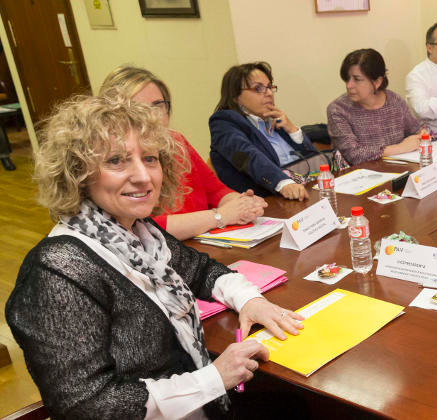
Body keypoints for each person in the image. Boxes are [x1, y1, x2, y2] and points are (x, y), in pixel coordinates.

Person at [6, 95, 306, 419]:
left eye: (149, 159)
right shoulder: (56, 274)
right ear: (77, 173)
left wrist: (250, 300)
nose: (143, 177)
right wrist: (213, 379)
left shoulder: (137, 231)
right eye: (117, 161)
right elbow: (89, 406)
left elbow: (201, 269)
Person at [99, 66, 267, 241]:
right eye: (137, 109)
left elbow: (217, 191)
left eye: (157, 106)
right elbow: (145, 226)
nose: (152, 117)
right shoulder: (110, 160)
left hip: (203, 246)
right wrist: (221, 216)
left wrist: (244, 204)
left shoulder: (176, 141)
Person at [210, 62, 319, 200]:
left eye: (269, 87)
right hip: (270, 200)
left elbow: (315, 161)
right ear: (236, 96)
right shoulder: (224, 122)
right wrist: (283, 183)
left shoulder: (274, 118)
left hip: (307, 191)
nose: (268, 93)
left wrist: (292, 129)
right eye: (258, 89)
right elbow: (247, 155)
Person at [328, 48, 425, 165]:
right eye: (347, 79)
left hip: (400, 171)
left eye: (357, 79)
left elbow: (417, 130)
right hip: (361, 177)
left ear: (377, 82)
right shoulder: (338, 109)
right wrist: (400, 148)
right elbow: (353, 154)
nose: (349, 85)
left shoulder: (395, 101)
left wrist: (422, 135)